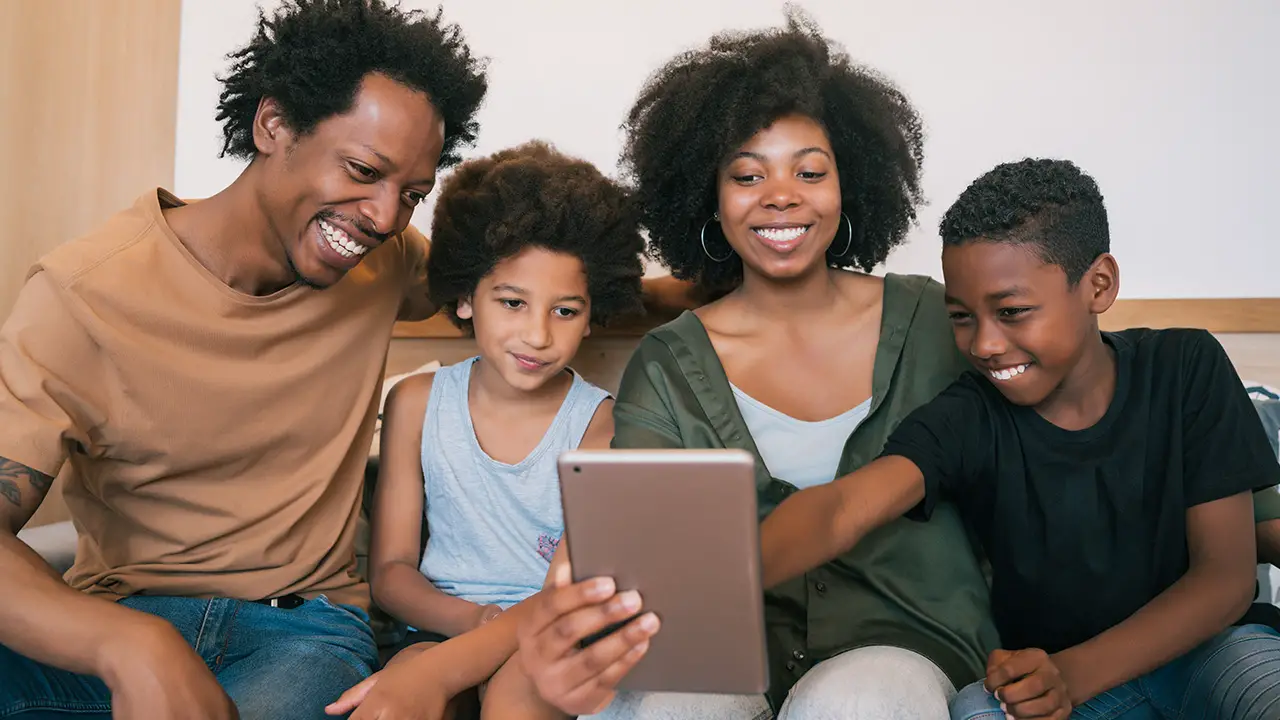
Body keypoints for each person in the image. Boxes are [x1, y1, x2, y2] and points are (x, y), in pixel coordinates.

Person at [0, 1, 491, 718]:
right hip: (120, 621)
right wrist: (127, 645)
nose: (385, 216)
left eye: (412, 194)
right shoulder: (83, 295)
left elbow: (531, 282)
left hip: (300, 632)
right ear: (274, 126)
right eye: (362, 169)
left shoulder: (381, 264)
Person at [516, 10, 1000, 720]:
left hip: (906, 652)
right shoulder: (672, 362)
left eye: (810, 171)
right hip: (721, 658)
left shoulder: (936, 320)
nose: (781, 194)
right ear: (709, 197)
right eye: (748, 174)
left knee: (861, 702)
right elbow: (641, 544)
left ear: (851, 185)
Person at [755, 158, 1280, 719]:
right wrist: (717, 581)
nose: (984, 344)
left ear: (1098, 285)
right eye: (961, 316)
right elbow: (841, 509)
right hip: (1050, 681)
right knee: (976, 712)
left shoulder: (1183, 365)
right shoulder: (969, 416)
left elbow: (1224, 581)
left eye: (1012, 312)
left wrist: (1072, 676)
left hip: (1212, 652)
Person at [325, 141, 644, 719]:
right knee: (393, 697)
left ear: (595, 313)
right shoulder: (417, 403)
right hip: (439, 629)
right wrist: (470, 621)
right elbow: (392, 574)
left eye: (565, 311)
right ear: (467, 297)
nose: (538, 335)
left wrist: (491, 637)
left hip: (550, 640)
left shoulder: (599, 425)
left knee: (514, 698)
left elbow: (564, 596)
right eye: (513, 302)